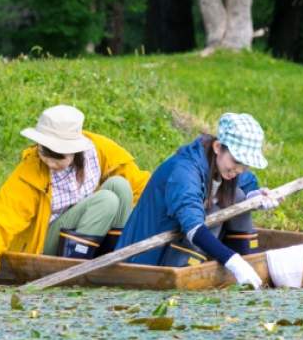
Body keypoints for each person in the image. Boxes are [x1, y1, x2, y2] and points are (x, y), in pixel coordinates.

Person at [0, 105, 150, 285]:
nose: (50, 162)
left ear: (75, 150)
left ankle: (115, 258)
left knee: (120, 186)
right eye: (44, 152)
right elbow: (1, 218)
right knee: (107, 200)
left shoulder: (99, 152)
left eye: (58, 156)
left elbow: (144, 186)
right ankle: (73, 272)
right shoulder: (31, 172)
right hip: (46, 243)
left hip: (87, 229)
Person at [115, 112, 279, 289]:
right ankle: (225, 266)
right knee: (216, 211)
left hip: (177, 249)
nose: (239, 169)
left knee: (238, 196)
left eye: (245, 164)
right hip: (146, 259)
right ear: (218, 147)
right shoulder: (184, 171)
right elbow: (193, 226)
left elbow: (246, 181)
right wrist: (233, 262)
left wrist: (255, 196)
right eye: (237, 161)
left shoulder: (226, 166)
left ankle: (249, 266)